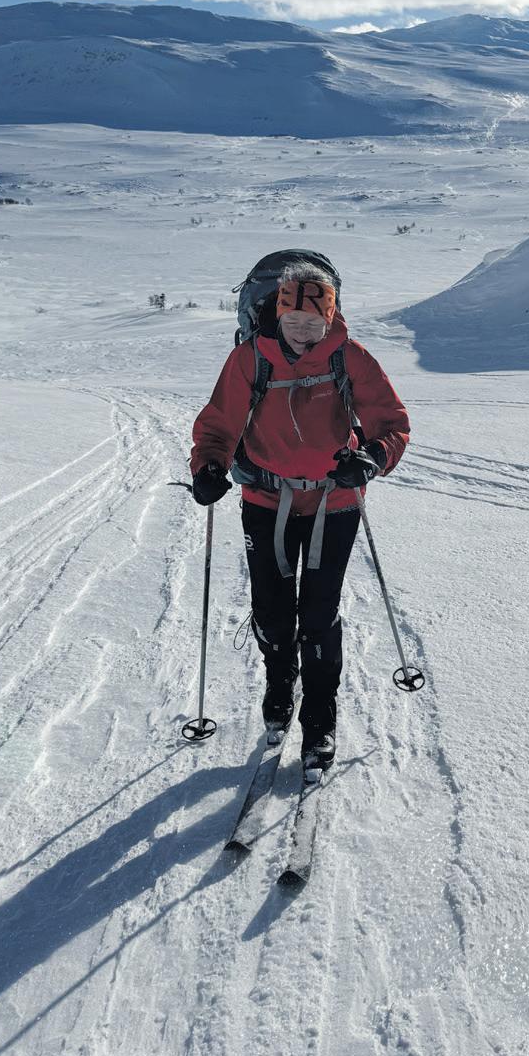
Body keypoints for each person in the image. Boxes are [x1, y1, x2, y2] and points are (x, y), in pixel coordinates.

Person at [189, 257, 410, 772]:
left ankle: (319, 717)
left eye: (314, 322)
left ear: (330, 317)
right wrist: (208, 467)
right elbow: (218, 424)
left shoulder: (350, 357)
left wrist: (373, 458)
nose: (303, 332)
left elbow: (392, 424)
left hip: (335, 503)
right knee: (271, 609)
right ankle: (279, 681)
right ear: (278, 314)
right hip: (266, 501)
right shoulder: (251, 358)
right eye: (294, 321)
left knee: (318, 612)